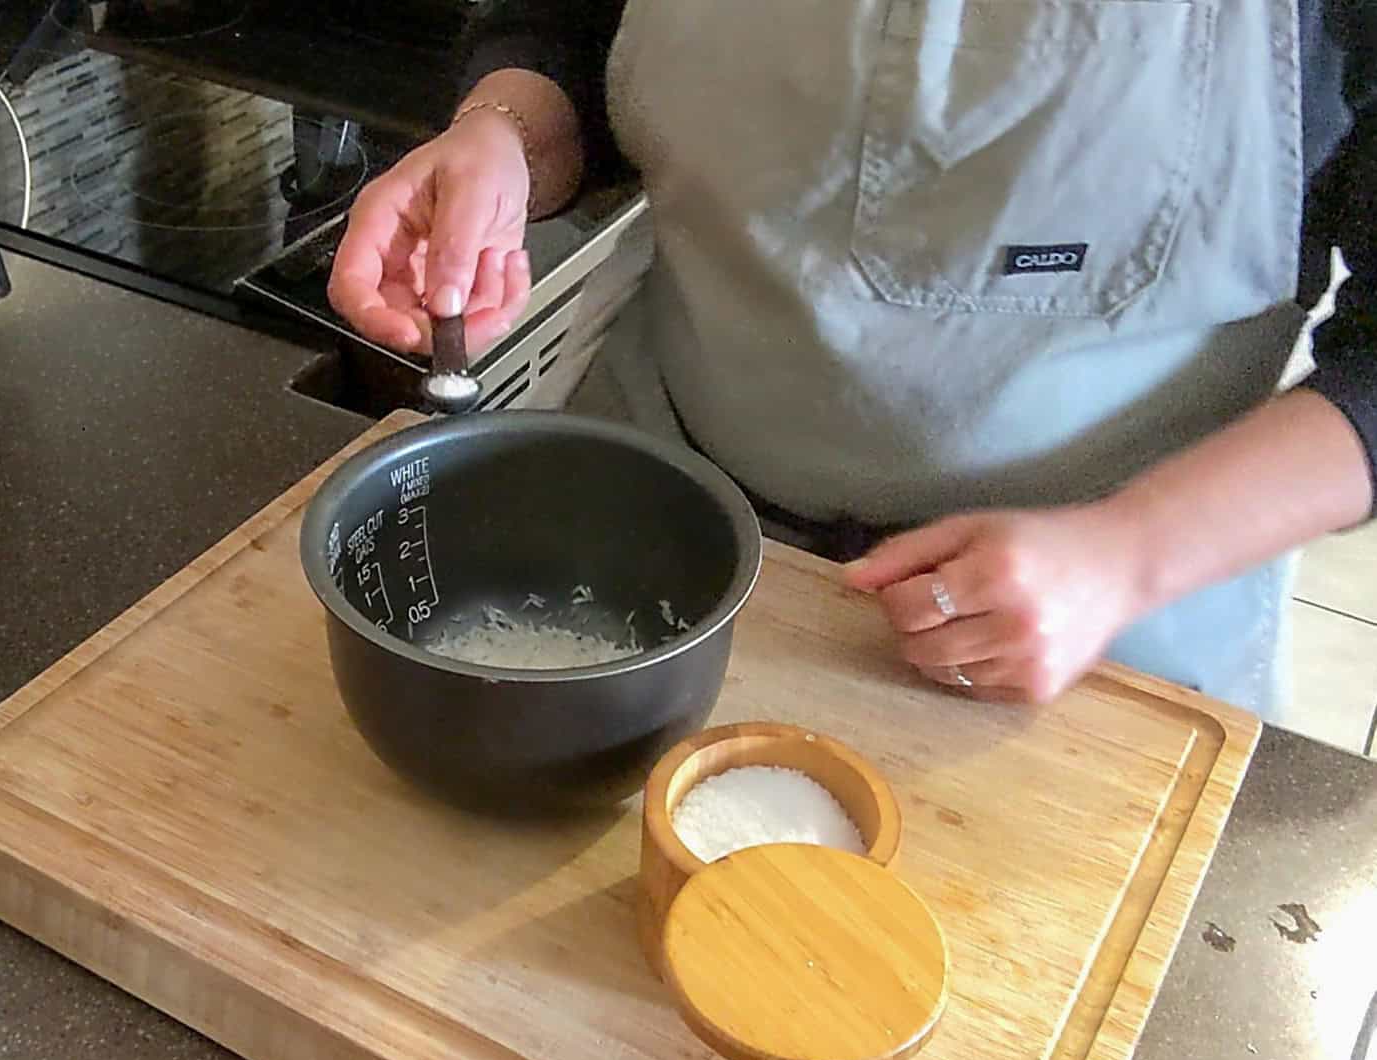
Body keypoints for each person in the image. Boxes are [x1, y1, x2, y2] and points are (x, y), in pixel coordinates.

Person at [327, 0, 1376, 719]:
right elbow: (568, 25)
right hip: (645, 533)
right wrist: (508, 131)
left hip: (1092, 633)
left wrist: (1127, 554)